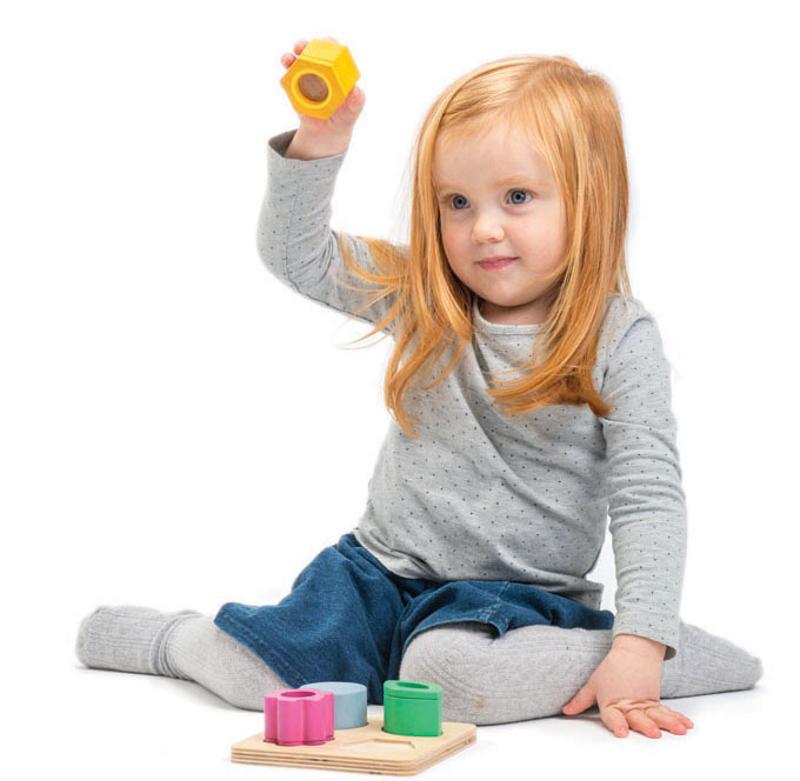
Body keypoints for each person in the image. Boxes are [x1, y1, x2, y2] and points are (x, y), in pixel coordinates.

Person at [75, 39, 763, 739]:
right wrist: (320, 143)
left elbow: (648, 496)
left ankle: (654, 651)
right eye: (457, 202)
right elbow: (296, 255)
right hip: (375, 574)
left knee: (447, 679)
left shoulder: (619, 337)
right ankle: (171, 641)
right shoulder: (425, 294)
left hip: (513, 602)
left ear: (590, 201)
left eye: (517, 197)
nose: (483, 228)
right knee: (256, 675)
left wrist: (640, 642)